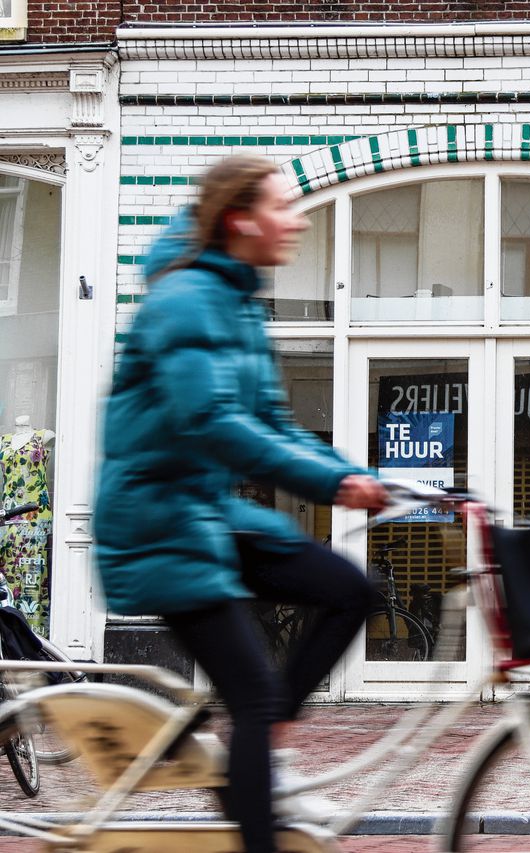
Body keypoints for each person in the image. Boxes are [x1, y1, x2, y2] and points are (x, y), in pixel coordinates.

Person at [93, 154, 387, 853]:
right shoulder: (184, 300)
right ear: (240, 219)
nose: (300, 219)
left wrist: (363, 474)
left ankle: (258, 753)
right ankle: (257, 772)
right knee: (252, 698)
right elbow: (213, 421)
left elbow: (275, 423)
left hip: (206, 514)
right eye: (285, 206)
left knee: (352, 589)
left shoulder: (237, 302)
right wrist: (331, 486)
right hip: (156, 523)